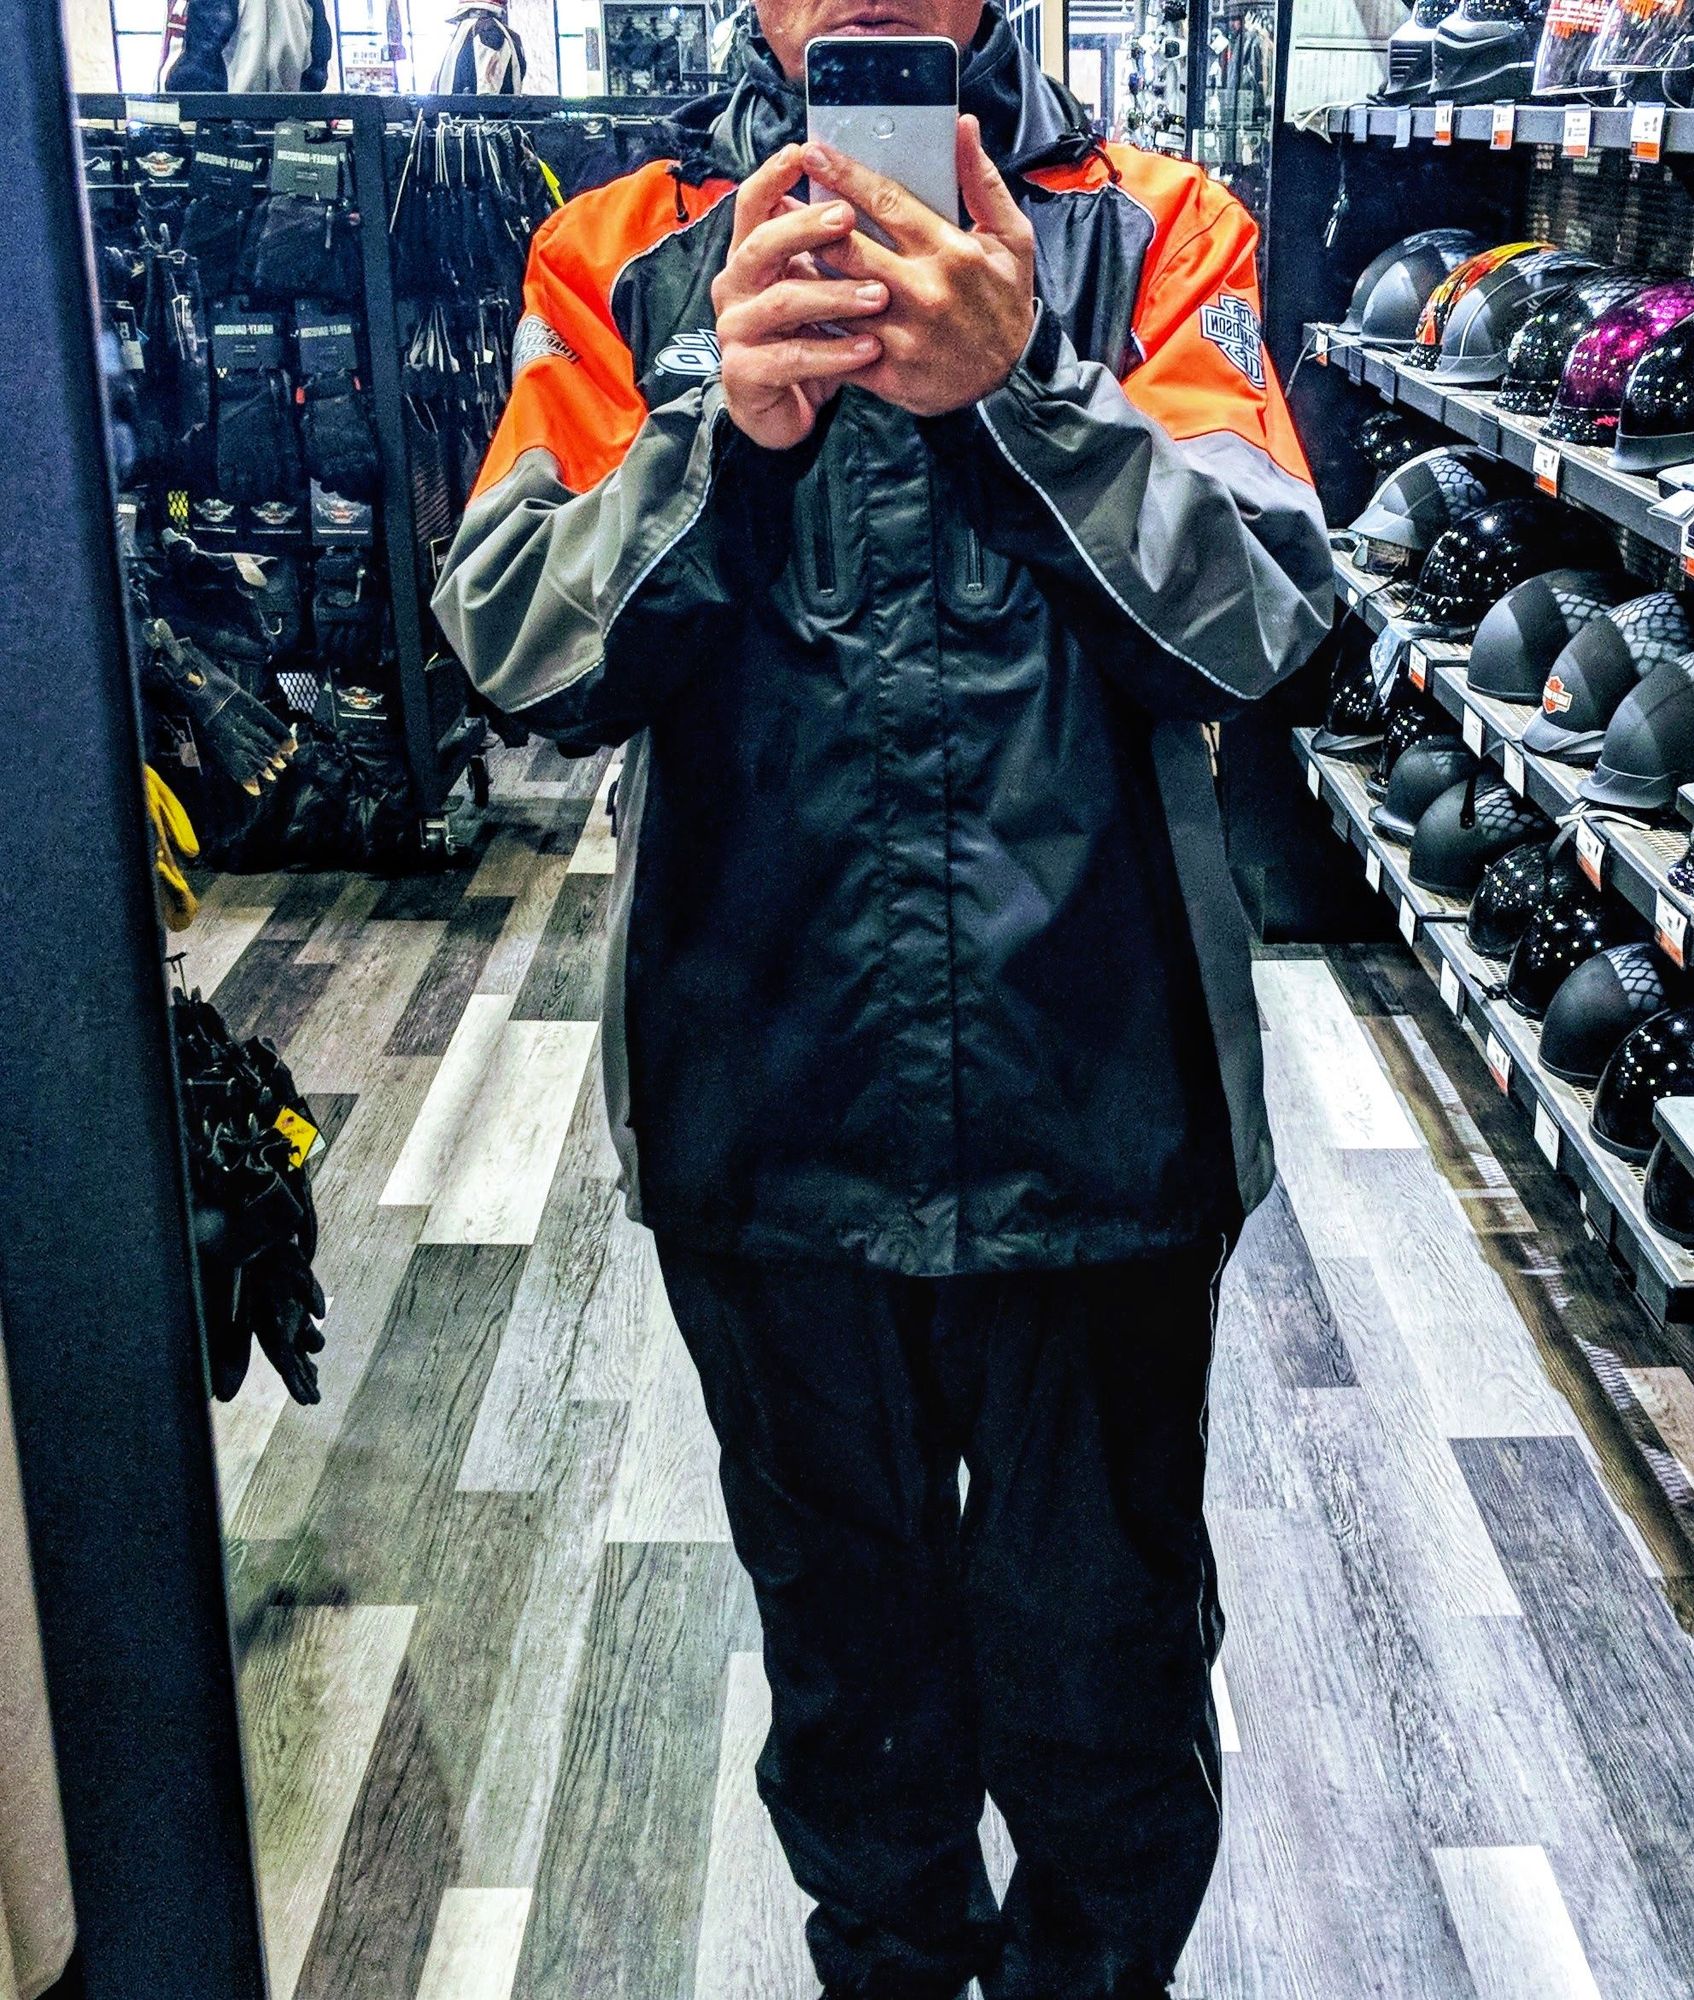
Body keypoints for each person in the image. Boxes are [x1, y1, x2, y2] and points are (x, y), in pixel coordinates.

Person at [432, 0, 1329, 1988]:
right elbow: (515, 649)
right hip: (772, 1123)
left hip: (1097, 1118)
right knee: (854, 1712)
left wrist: (1031, 394)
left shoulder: (1159, 230)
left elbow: (1263, 617)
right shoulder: (621, 252)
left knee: (1106, 1703)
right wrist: (709, 436)